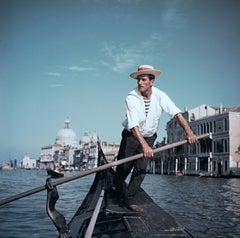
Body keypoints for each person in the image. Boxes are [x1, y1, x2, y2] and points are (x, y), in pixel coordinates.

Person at [114, 65, 197, 212]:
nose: (140, 83)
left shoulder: (160, 95)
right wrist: (144, 145)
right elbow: (133, 125)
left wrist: (189, 132)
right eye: (138, 80)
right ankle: (117, 191)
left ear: (151, 82)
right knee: (124, 168)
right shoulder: (131, 97)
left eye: (143, 80)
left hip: (150, 137)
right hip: (131, 136)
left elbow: (176, 113)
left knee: (141, 169)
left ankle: (130, 199)